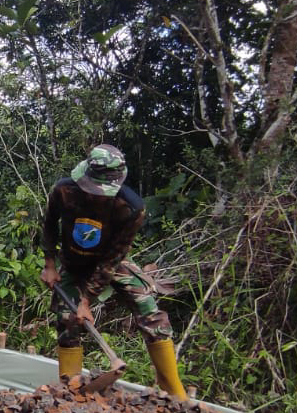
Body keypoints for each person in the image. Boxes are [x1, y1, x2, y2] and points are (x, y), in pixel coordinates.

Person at [40, 144, 188, 400]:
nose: (95, 196)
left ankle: (176, 394)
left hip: (109, 263)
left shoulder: (131, 208)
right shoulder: (63, 191)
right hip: (73, 262)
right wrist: (50, 265)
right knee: (68, 320)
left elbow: (112, 259)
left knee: (149, 311)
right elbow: (49, 224)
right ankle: (71, 391)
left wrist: (86, 301)